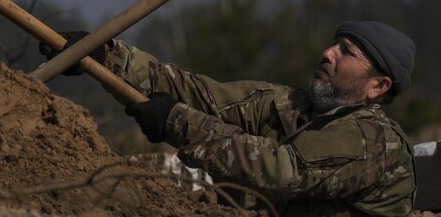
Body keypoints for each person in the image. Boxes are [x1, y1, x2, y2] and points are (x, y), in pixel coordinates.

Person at [40, 22, 417, 216]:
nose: (327, 52)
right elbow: (199, 95)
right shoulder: (285, 105)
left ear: (377, 86)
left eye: (346, 51)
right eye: (334, 43)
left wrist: (177, 122)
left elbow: (279, 169)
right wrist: (105, 56)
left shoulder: (371, 139)